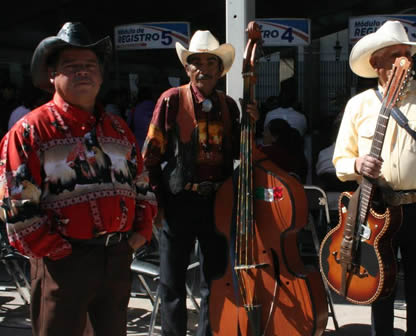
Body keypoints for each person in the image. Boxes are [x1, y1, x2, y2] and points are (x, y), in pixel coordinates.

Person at [0, 22, 157, 336]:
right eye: (71, 67)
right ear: (51, 75)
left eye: (90, 65)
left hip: (115, 258)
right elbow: (16, 205)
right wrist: (56, 251)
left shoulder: (117, 128)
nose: (83, 72)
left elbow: (141, 184)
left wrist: (139, 233)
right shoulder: (31, 131)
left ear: (100, 74)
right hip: (63, 264)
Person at [332, 20, 416, 335]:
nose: (404, 62)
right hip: (378, 209)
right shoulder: (358, 105)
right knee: (379, 291)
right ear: (376, 62)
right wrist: (357, 164)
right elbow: (339, 161)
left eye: (408, 55)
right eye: (395, 55)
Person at [142, 30, 258, 336]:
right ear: (187, 68)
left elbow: (235, 154)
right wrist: (157, 204)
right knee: (172, 284)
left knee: (215, 281)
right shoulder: (171, 100)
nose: (203, 69)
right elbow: (150, 157)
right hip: (178, 201)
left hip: (217, 202)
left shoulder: (228, 105)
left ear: (220, 71)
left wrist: (250, 126)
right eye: (196, 62)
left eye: (211, 62)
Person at [259, 118, 308, 182]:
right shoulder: (296, 153)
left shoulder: (266, 153)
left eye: (266, 131)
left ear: (275, 137)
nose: (263, 133)